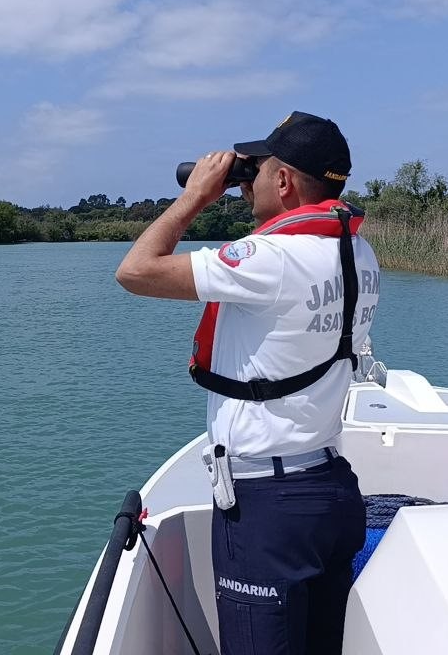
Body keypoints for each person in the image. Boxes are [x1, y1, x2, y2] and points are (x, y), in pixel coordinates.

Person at [115, 111, 381, 655]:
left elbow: (136, 270)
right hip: (329, 489)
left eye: (256, 169)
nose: (246, 180)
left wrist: (195, 196)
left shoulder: (272, 259)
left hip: (268, 507)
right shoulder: (357, 252)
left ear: (283, 181)